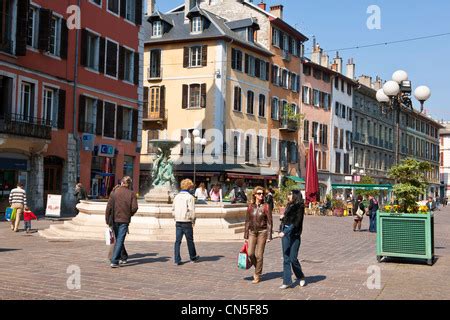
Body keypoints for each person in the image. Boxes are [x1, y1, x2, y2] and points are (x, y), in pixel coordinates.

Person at [105, 176, 138, 268]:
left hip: (114, 219)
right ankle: (115, 260)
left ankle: (123, 257)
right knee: (120, 239)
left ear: (122, 183)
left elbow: (109, 207)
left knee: (118, 239)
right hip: (124, 220)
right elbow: (134, 208)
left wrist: (107, 219)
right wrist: (129, 214)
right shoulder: (132, 194)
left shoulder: (114, 192)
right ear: (129, 184)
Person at [244, 187, 273, 284]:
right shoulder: (250, 206)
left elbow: (269, 222)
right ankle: (258, 267)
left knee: (259, 255)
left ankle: (257, 274)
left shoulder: (266, 206)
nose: (261, 195)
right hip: (252, 232)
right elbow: (247, 221)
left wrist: (269, 236)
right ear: (255, 194)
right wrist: (245, 235)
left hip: (262, 232)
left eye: (262, 194)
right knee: (250, 253)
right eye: (259, 193)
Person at [278, 190, 306, 289]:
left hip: (294, 234)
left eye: (290, 194)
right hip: (285, 233)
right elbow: (286, 220)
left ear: (295, 196)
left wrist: (285, 232)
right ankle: (287, 282)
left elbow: (296, 223)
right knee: (286, 258)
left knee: (293, 259)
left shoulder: (300, 207)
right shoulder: (288, 205)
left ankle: (300, 276)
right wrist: (282, 219)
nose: (288, 196)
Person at [172, 179, 199, 265]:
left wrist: (176, 217)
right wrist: (193, 219)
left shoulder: (176, 196)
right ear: (189, 187)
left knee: (177, 241)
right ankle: (193, 257)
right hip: (186, 221)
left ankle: (177, 259)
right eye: (191, 186)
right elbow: (192, 210)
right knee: (190, 240)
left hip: (178, 221)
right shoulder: (190, 197)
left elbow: (173, 209)